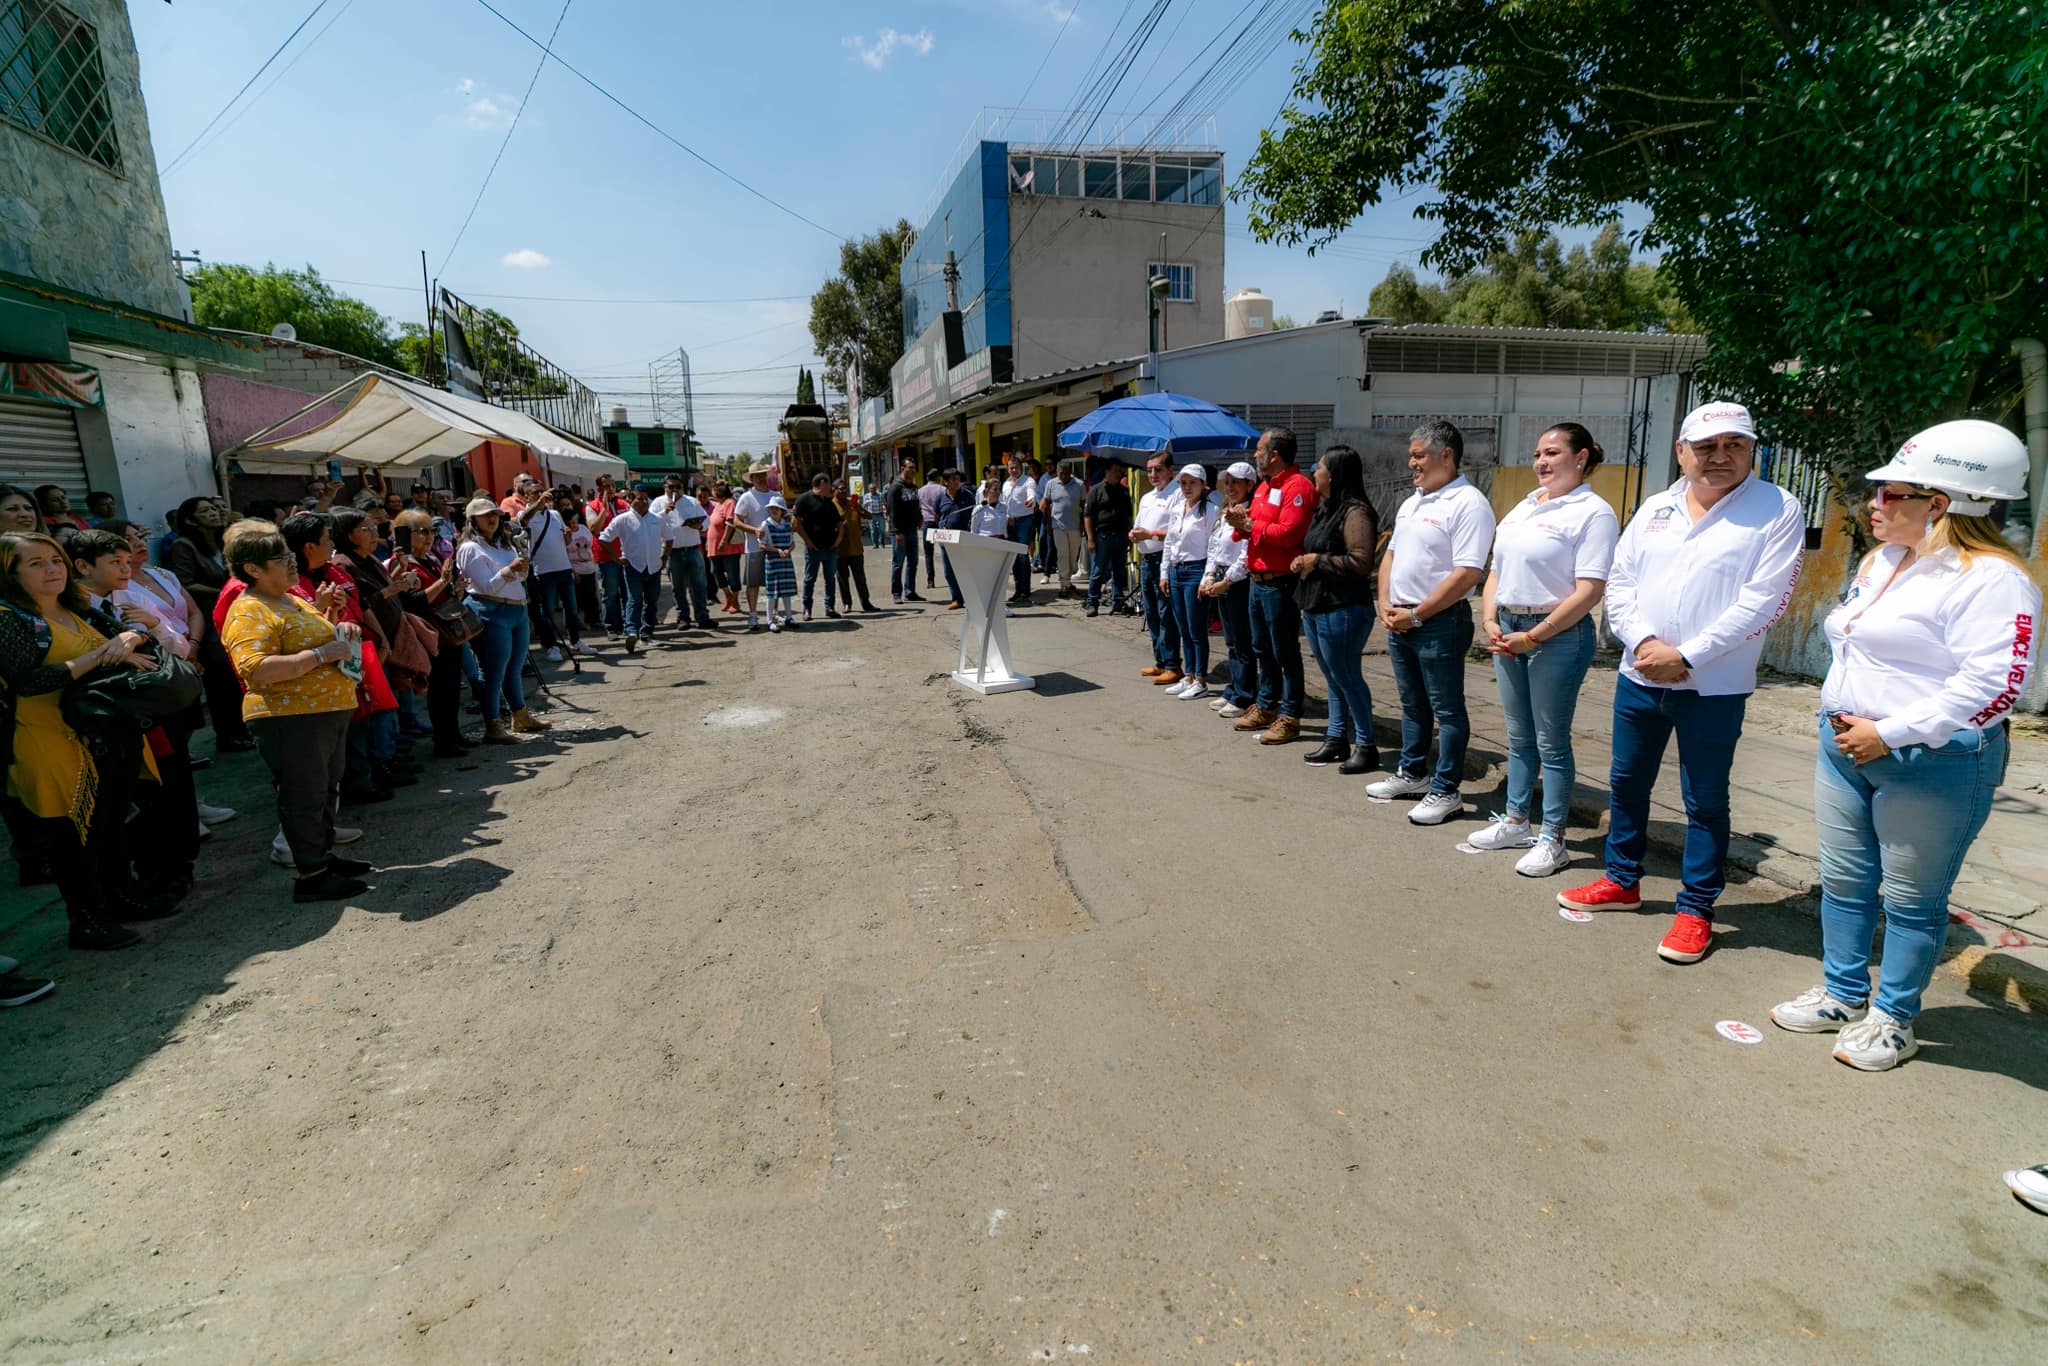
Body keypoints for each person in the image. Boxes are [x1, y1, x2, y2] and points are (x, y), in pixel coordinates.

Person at [1767, 420, 2040, 1070]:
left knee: (1913, 902)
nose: (1874, 504)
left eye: (1892, 494)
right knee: (1843, 882)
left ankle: (1894, 1019)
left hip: (1931, 763)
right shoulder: (1883, 558)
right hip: (1844, 748)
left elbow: (1997, 686)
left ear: (1941, 504)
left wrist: (1886, 732)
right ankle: (1842, 994)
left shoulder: (1993, 578)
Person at [1558, 402, 1805, 965]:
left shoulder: (1776, 508)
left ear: (1751, 450)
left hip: (1713, 685)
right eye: (1706, 447)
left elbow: (1764, 601)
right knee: (1626, 783)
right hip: (1640, 675)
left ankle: (1696, 909)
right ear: (1681, 452)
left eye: (1734, 446)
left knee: (1705, 801)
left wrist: (1688, 655)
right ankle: (1621, 880)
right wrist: (1644, 644)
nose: (1720, 457)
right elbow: (1620, 584)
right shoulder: (1656, 507)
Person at [1461, 423, 1619, 875]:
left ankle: (1553, 837)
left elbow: (1590, 590)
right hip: (1508, 627)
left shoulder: (1593, 513)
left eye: (1552, 452)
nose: (1541, 462)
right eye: (1537, 454)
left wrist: (1536, 635)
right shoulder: (1526, 506)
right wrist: (1490, 619)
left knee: (1551, 741)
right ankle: (1515, 821)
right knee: (1519, 736)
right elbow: (1496, 571)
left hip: (1557, 635)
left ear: (1582, 457)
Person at [0, 531, 164, 947]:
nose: (52, 569)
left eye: (54, 560)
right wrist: (96, 656)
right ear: (10, 571)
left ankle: (121, 898)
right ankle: (87, 921)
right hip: (48, 739)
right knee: (72, 837)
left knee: (109, 823)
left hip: (101, 734)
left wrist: (131, 637)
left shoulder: (77, 606)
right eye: (35, 563)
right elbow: (25, 682)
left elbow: (130, 635)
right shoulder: (11, 617)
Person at [219, 522, 372, 903]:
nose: (292, 563)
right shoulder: (249, 609)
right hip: (291, 718)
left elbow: (313, 638)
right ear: (252, 568)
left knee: (323, 791)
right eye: (281, 558)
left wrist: (335, 623)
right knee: (303, 795)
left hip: (325, 711)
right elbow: (255, 668)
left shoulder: (292, 598)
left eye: (290, 556)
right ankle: (312, 874)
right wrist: (321, 654)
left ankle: (321, 857)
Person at [1368, 421, 1497, 824]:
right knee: (1412, 704)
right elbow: (1390, 555)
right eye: (1412, 455)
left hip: (1438, 622)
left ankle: (1446, 790)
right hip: (1400, 618)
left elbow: (1468, 573)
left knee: (1448, 710)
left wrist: (1417, 614)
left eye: (1419, 455)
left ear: (1447, 455)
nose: (1412, 463)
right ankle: (1413, 773)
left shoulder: (1468, 503)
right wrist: (1384, 601)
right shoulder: (1413, 502)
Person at [68, 530, 202, 903]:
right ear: (82, 566)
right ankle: (148, 876)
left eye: (128, 561)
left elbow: (177, 646)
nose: (126, 569)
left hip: (156, 713)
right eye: (115, 562)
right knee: (137, 802)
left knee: (173, 791)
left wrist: (153, 628)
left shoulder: (131, 599)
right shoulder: (71, 610)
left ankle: (177, 868)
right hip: (113, 719)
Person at [1291, 446, 1384, 774]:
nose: (1313, 473)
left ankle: (1366, 745)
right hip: (1317, 604)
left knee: (1347, 676)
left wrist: (1317, 561)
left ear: (1334, 474)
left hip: (1343, 608)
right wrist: (1306, 561)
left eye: (1319, 467)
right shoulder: (1326, 508)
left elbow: (1360, 562)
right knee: (1332, 677)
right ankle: (1336, 738)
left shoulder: (1355, 512)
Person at [1224, 428, 1318, 745]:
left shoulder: (1298, 487)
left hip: (1281, 582)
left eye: (1259, 449)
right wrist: (1240, 522)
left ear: (1274, 454)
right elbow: (1255, 530)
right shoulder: (1264, 487)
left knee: (1285, 651)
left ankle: (1290, 715)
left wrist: (1250, 524)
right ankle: (1266, 706)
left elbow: (1289, 533)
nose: (1255, 455)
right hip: (1257, 579)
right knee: (1262, 647)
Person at [166, 496, 255, 752]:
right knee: (221, 681)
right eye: (205, 511)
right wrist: (225, 591)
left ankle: (243, 728)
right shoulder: (183, 545)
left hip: (234, 614)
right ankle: (228, 735)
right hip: (208, 618)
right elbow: (185, 582)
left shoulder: (221, 542)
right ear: (190, 519)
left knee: (238, 674)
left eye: (214, 509)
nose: (214, 513)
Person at [457, 497, 547, 742]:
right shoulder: (469, 548)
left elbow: (516, 580)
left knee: (514, 668)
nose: (492, 518)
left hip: (515, 609)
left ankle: (519, 715)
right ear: (472, 519)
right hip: (491, 611)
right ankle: (493, 724)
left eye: (494, 513)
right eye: (486, 515)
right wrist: (510, 570)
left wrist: (521, 570)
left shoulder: (503, 543)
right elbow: (486, 586)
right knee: (493, 671)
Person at [389, 511, 471, 759]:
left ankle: (454, 734)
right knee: (440, 691)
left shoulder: (431, 559)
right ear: (405, 534)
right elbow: (414, 603)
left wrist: (455, 588)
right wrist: (443, 583)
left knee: (452, 688)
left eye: (431, 531)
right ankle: (444, 741)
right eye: (422, 532)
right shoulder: (401, 564)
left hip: (447, 632)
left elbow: (443, 594)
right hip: (428, 636)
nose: (429, 537)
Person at [1198, 461, 1258, 719]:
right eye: (1228, 482)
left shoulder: (1249, 514)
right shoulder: (1225, 512)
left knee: (1242, 640)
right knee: (1231, 640)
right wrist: (1210, 575)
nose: (1231, 487)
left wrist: (1228, 580)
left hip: (1238, 581)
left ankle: (1245, 694)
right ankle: (1234, 688)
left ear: (1249, 485)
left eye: (1236, 482)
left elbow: (1246, 555)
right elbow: (1214, 548)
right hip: (1222, 576)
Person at [1157, 464, 1220, 699]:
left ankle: (1201, 679)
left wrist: (1208, 575)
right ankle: (1190, 675)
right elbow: (1169, 543)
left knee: (1196, 628)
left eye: (1192, 483)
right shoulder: (1176, 509)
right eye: (1183, 483)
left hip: (1196, 570)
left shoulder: (1210, 510)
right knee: (1183, 626)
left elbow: (1213, 547)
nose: (1187, 488)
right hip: (1176, 570)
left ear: (1203, 485)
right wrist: (1164, 572)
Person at [1131, 456, 1182, 684]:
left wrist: (1149, 534)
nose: (1153, 475)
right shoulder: (1147, 497)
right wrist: (1133, 534)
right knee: (1151, 613)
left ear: (1170, 470)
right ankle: (1160, 661)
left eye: (1158, 469)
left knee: (1165, 614)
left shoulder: (1177, 494)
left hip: (1164, 559)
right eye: (1149, 470)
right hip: (1146, 559)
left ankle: (1172, 664)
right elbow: (1138, 526)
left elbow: (1176, 531)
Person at [598, 485, 667, 648]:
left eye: (645, 499)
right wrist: (616, 558)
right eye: (639, 499)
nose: (643, 502)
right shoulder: (622, 520)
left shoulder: (657, 519)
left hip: (654, 567)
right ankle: (631, 631)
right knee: (634, 599)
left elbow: (669, 537)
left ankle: (647, 634)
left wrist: (665, 556)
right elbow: (603, 538)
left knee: (651, 602)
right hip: (633, 567)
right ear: (630, 500)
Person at [520, 484, 583, 659]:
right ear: (527, 496)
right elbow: (522, 521)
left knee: (571, 608)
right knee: (547, 611)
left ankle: (576, 642)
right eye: (535, 493)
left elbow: (564, 540)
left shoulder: (554, 514)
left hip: (563, 568)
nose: (540, 495)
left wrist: (568, 536)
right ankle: (551, 646)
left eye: (542, 491)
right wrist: (538, 504)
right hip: (543, 570)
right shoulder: (526, 515)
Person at [652, 477, 713, 630]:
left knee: (699, 585)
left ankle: (702, 616)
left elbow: (707, 521)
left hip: (692, 548)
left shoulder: (692, 501)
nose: (675, 490)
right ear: (665, 487)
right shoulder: (658, 503)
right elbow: (651, 523)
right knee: (678, 587)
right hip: (673, 552)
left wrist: (700, 526)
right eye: (671, 487)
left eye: (678, 487)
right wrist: (664, 511)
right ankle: (683, 617)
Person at [731, 461, 778, 630]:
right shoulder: (746, 497)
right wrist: (754, 530)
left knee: (774, 582)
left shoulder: (775, 495)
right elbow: (736, 521)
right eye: (756, 476)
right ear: (751, 479)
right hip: (753, 548)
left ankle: (773, 614)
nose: (760, 479)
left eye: (762, 475)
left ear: (766, 476)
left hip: (774, 547)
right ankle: (752, 615)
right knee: (753, 583)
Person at [1082, 463, 1133, 618]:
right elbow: (1088, 515)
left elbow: (1129, 516)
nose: (1118, 474)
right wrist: (1090, 538)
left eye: (1120, 471)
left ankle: (1117, 601)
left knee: (1119, 571)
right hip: (1102, 536)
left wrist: (1129, 535)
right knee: (1098, 571)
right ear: (1107, 472)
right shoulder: (1096, 490)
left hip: (1121, 535)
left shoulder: (1124, 492)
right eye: (1115, 471)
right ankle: (1092, 602)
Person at [792, 472, 843, 620]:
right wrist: (807, 541)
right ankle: (807, 609)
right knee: (810, 579)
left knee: (830, 579)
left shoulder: (828, 502)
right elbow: (795, 523)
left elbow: (840, 524)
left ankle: (830, 607)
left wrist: (838, 540)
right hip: (813, 549)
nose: (831, 489)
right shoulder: (803, 500)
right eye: (829, 485)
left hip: (830, 548)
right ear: (822, 483)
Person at [585, 476, 629, 637]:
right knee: (610, 593)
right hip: (605, 557)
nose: (610, 489)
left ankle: (627, 625)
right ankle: (610, 626)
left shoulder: (623, 504)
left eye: (612, 486)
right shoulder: (591, 507)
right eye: (606, 486)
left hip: (624, 555)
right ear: (599, 489)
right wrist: (604, 510)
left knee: (626, 593)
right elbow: (594, 529)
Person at [885, 459, 928, 605]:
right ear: (902, 468)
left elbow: (916, 505)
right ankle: (897, 593)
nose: (913, 470)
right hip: (900, 532)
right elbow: (891, 511)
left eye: (914, 468)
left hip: (912, 531)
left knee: (913, 562)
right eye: (910, 467)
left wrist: (920, 518)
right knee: (898, 563)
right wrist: (897, 531)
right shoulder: (895, 487)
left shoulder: (914, 487)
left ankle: (910, 591)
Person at [1040, 461, 1084, 596]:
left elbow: (1084, 506)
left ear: (1071, 472)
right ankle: (1064, 584)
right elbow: (1045, 504)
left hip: (1075, 526)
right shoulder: (1051, 484)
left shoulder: (1079, 484)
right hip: (1057, 525)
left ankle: (1068, 580)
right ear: (1057, 472)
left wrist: (1083, 525)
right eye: (1061, 473)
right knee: (1062, 554)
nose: (1064, 476)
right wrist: (1048, 524)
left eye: (1066, 473)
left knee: (1072, 556)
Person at [833, 479, 878, 612]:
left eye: (845, 488)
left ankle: (866, 602)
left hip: (856, 548)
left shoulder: (852, 503)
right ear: (834, 490)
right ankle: (847, 603)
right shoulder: (831, 506)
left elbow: (869, 517)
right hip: (840, 550)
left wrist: (859, 509)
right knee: (843, 579)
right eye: (840, 488)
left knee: (860, 578)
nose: (844, 491)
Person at [1000, 453, 1040, 605]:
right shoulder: (1006, 484)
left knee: (1023, 555)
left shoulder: (1028, 481)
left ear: (1021, 467)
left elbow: (1032, 494)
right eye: (1011, 468)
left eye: (1016, 467)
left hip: (1025, 521)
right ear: (1008, 469)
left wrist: (1031, 500)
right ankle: (1018, 589)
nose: (1013, 470)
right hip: (1010, 523)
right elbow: (1003, 504)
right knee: (1013, 557)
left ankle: (1026, 589)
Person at [934, 468, 975, 609]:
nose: (956, 482)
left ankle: (970, 598)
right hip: (946, 539)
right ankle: (957, 599)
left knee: (965, 570)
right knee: (949, 572)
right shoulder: (940, 498)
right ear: (945, 482)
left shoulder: (967, 495)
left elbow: (974, 515)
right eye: (953, 479)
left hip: (964, 538)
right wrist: (940, 529)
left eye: (958, 479)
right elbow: (937, 517)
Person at [704, 480, 744, 614]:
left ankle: (736, 601)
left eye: (713, 489)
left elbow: (730, 522)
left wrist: (723, 541)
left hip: (728, 547)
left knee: (732, 574)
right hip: (714, 547)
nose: (711, 492)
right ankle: (728, 596)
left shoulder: (729, 503)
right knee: (716, 573)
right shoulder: (717, 504)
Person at [759, 496, 798, 631]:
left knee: (786, 590)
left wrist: (788, 550)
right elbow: (762, 546)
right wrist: (777, 550)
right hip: (773, 561)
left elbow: (792, 543)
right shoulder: (765, 524)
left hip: (785, 560)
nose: (774, 510)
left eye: (777, 508)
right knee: (772, 592)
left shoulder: (787, 525)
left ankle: (789, 617)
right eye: (772, 508)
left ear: (782, 511)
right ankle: (770, 620)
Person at [564, 498, 601, 630]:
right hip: (576, 569)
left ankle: (594, 620)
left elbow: (591, 545)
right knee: (578, 598)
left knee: (592, 596)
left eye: (575, 521)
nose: (574, 524)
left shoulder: (584, 529)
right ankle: (578, 622)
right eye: (570, 522)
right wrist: (573, 572)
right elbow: (566, 553)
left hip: (589, 567)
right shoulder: (565, 534)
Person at [918, 466, 945, 591]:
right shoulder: (942, 489)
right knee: (946, 551)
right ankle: (950, 576)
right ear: (938, 478)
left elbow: (918, 507)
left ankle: (930, 580)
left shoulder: (921, 491)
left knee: (929, 553)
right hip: (940, 523)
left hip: (927, 523)